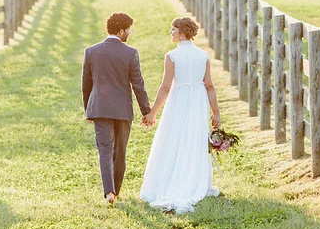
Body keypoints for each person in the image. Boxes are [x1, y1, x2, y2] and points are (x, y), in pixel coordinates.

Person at [139, 16, 221, 214]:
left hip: (179, 100)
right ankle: (193, 180)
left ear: (182, 32)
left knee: (173, 137)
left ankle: (171, 182)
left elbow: (166, 87)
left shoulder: (172, 56)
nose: (171, 33)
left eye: (173, 29)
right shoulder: (203, 55)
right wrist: (216, 114)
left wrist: (153, 113)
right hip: (198, 101)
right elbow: (209, 86)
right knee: (194, 139)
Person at [82, 12, 152, 204]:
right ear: (121, 31)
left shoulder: (91, 51)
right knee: (120, 152)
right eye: (128, 29)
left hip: (99, 108)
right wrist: (146, 111)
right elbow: (138, 84)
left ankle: (109, 192)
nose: (129, 32)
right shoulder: (130, 53)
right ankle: (117, 191)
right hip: (122, 110)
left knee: (105, 150)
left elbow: (86, 85)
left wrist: (88, 110)